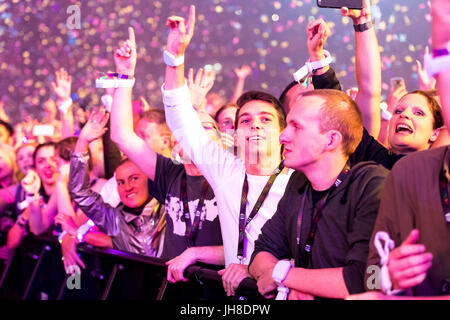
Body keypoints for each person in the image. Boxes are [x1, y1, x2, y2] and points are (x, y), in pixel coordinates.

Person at [162, 6, 293, 296]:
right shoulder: (226, 170)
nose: (255, 126)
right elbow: (180, 121)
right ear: (235, 133)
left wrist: (254, 268)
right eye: (246, 121)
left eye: (265, 120)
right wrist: (175, 58)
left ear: (282, 133)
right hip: (237, 294)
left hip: (284, 292)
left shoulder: (298, 181)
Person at [248, 89, 388, 300]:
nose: (283, 136)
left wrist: (283, 276)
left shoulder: (372, 184)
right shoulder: (298, 182)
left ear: (331, 140)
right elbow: (261, 253)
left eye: (296, 127)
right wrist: (296, 282)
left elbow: (366, 279)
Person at [110, 26, 224, 284]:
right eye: (190, 129)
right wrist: (125, 76)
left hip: (218, 291)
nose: (195, 134)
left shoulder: (230, 177)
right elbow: (121, 135)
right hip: (173, 287)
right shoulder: (169, 174)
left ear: (218, 140)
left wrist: (195, 254)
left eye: (205, 128)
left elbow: (247, 250)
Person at [68, 109, 165, 258]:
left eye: (134, 178)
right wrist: (82, 142)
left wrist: (82, 235)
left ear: (148, 178)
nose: (127, 187)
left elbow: (144, 247)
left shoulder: (169, 209)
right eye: (120, 182)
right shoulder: (115, 219)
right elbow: (80, 193)